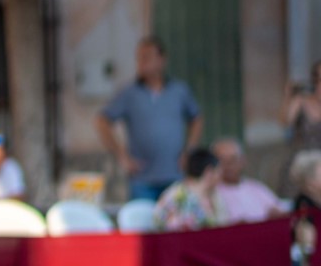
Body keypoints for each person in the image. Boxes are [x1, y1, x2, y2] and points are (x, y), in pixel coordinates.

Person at [96, 37, 203, 201]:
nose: (141, 62)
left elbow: (196, 119)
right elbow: (102, 121)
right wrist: (121, 155)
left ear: (162, 60)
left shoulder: (179, 91)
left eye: (146, 57)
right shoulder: (129, 93)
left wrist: (190, 151)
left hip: (175, 176)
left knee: (176, 216)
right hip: (141, 179)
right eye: (139, 58)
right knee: (141, 217)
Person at [211, 138, 285, 224]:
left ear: (242, 160)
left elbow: (279, 211)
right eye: (222, 161)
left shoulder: (255, 187)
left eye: (233, 160)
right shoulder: (211, 193)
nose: (229, 165)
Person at [153, 147, 225, 231]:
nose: (220, 176)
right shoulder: (177, 196)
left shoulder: (214, 195)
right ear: (208, 172)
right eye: (218, 171)